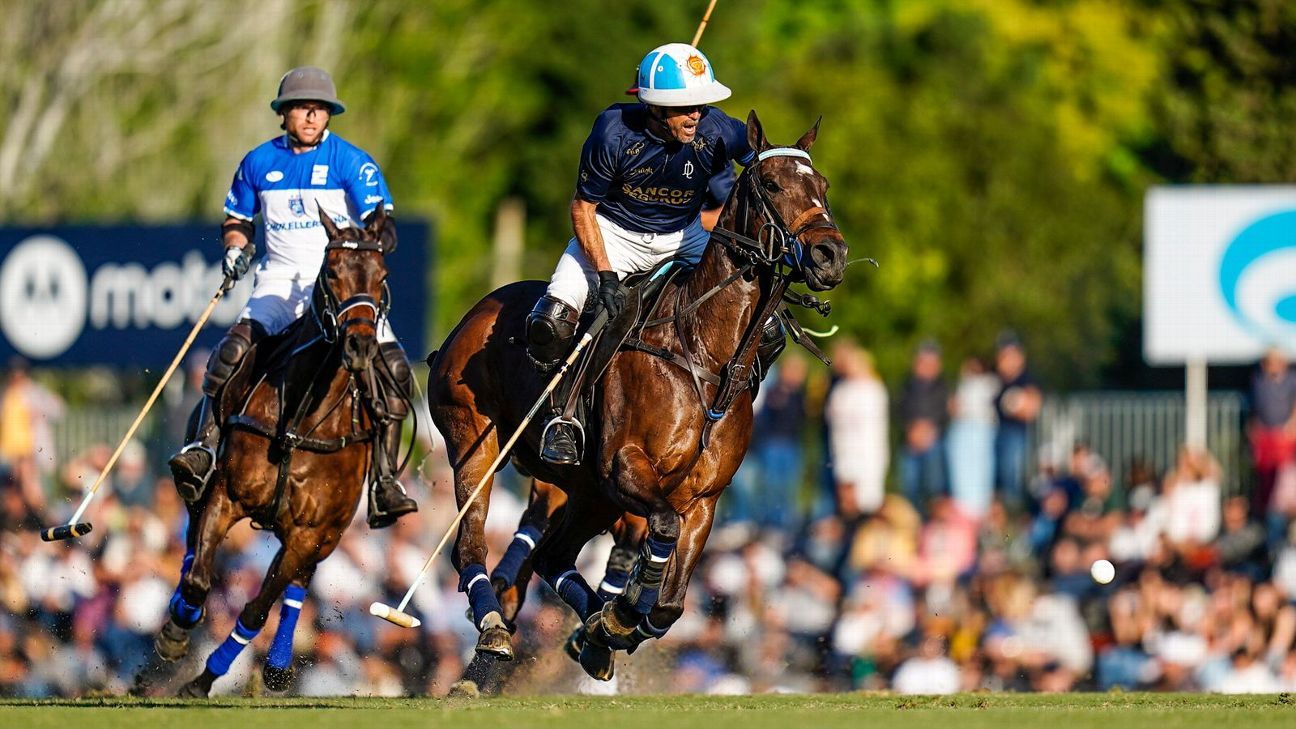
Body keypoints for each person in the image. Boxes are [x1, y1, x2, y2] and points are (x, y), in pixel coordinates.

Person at [167, 67, 416, 528]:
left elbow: (384, 224)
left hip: (341, 287)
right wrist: (236, 249)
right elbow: (238, 218)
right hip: (281, 280)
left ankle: (384, 481)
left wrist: (371, 246)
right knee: (229, 354)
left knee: (397, 370)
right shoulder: (258, 162)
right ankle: (202, 448)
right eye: (302, 107)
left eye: (319, 109)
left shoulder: (352, 162)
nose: (311, 115)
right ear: (284, 113)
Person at [524, 43, 767, 465]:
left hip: (684, 235)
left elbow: (764, 167)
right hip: (613, 235)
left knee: (759, 321)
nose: (696, 114)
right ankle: (559, 417)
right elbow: (583, 208)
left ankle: (729, 404)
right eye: (683, 106)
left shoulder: (718, 129)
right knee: (551, 323)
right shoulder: (612, 132)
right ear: (654, 107)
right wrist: (603, 275)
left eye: (700, 104)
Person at [992, 331, 1041, 512]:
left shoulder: (1026, 379)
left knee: (1012, 475)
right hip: (995, 434)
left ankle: (1014, 511)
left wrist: (1016, 406)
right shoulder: (995, 381)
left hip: (1015, 435)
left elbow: (1031, 409)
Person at [898, 340, 948, 515]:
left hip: (933, 443)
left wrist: (927, 431)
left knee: (934, 489)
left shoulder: (944, 387)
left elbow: (944, 414)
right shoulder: (906, 386)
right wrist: (912, 430)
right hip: (910, 444)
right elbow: (899, 411)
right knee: (908, 490)